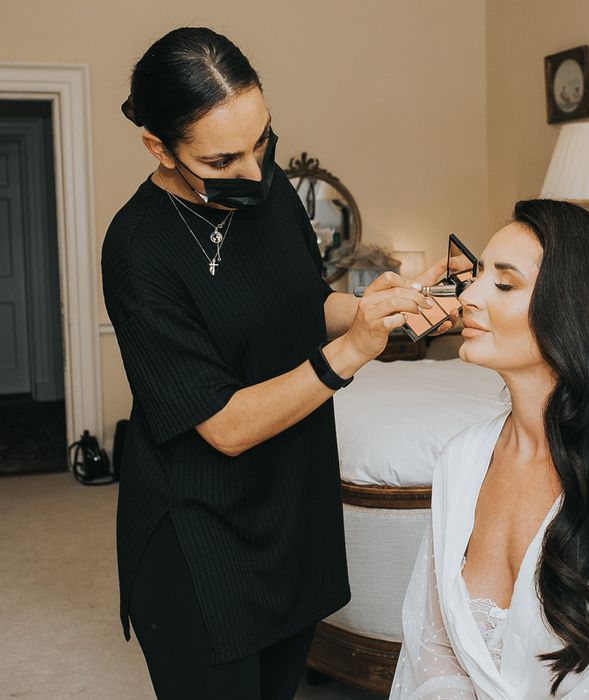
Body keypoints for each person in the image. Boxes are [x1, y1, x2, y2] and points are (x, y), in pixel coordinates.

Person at [102, 27, 447, 700]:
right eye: (223, 159)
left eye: (262, 140)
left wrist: (374, 310)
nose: (255, 172)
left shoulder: (266, 188)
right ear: (159, 148)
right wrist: (348, 355)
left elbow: (303, 304)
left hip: (292, 500)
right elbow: (223, 426)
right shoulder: (138, 250)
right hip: (198, 527)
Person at [391, 199, 589, 699]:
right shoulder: (461, 460)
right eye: (476, 276)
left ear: (576, 311)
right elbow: (433, 645)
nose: (467, 296)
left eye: (504, 283)